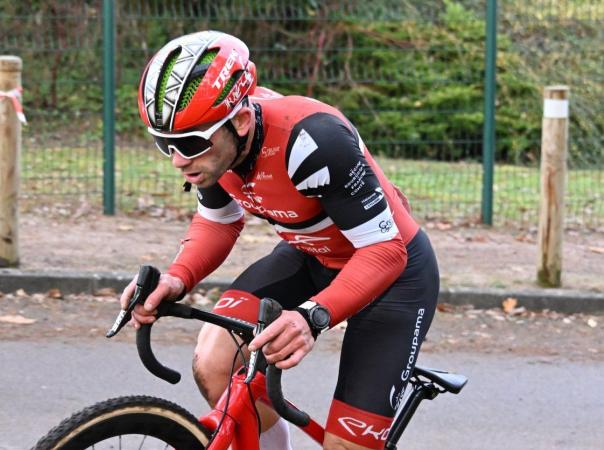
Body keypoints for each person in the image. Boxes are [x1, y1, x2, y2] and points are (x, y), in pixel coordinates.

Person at [121, 30, 439, 450]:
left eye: (191, 143)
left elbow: (385, 251)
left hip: (393, 274)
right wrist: (177, 279)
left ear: (240, 120)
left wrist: (311, 317)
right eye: (166, 144)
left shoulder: (312, 142)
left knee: (347, 446)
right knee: (216, 363)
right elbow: (218, 222)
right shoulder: (218, 151)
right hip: (310, 255)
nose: (179, 159)